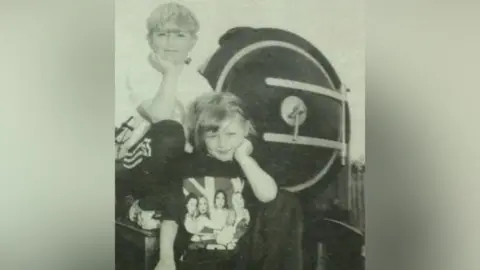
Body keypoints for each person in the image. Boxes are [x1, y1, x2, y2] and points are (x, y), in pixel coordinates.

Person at [154, 92, 279, 270]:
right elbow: (170, 218)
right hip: (193, 261)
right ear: (201, 135)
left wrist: (243, 158)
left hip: (241, 262)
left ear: (245, 130)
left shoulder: (249, 166)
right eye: (213, 136)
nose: (222, 143)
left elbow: (269, 195)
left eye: (231, 134)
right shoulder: (186, 166)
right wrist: (166, 258)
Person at [115, 2, 212, 205]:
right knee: (169, 131)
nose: (170, 43)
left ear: (193, 41)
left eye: (180, 35)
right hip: (135, 163)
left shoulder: (200, 82)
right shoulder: (141, 71)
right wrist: (170, 74)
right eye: (162, 35)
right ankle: (143, 204)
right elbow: (160, 118)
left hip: (181, 162)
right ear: (150, 40)